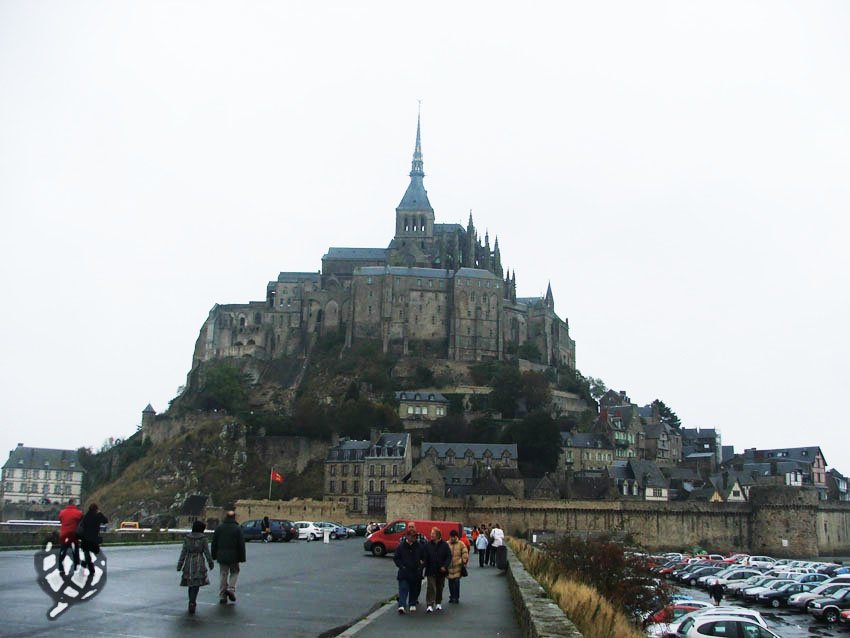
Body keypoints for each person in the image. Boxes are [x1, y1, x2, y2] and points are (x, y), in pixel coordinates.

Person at [177, 520, 214, 614]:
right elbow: (206, 552)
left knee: (190, 582)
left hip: (189, 561)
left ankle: (191, 600)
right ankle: (193, 601)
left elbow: (183, 552)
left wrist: (180, 564)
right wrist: (210, 562)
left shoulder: (187, 538)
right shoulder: (203, 538)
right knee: (196, 583)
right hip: (199, 561)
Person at [211, 510, 246, 604]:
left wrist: (213, 555)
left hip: (221, 555)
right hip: (234, 555)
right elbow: (241, 544)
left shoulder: (219, 528)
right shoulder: (237, 528)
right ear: (234, 517)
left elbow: (214, 542)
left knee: (223, 574)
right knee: (235, 571)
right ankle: (231, 588)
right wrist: (242, 557)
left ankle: (222, 596)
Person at [394, 529, 424, 614]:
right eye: (412, 536)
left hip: (415, 572)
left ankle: (412, 604)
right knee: (403, 588)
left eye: (415, 536)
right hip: (404, 572)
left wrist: (421, 566)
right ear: (407, 536)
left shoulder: (419, 546)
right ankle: (402, 606)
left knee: (413, 589)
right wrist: (401, 566)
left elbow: (424, 558)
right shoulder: (401, 546)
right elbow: (396, 558)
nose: (414, 538)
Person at [423, 526, 451, 613]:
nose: (431, 535)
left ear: (438, 535)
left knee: (440, 587)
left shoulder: (445, 545)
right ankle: (429, 604)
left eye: (433, 534)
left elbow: (449, 556)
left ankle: (438, 602)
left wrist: (445, 566)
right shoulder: (428, 545)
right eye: (431, 533)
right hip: (431, 569)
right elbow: (425, 556)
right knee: (431, 587)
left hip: (441, 570)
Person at [79, 503, 108, 572]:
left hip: (85, 537)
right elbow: (105, 521)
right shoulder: (98, 516)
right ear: (96, 509)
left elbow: (82, 525)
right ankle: (91, 569)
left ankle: (84, 565)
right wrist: (100, 513)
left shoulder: (86, 516)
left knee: (87, 553)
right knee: (91, 552)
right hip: (93, 537)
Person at [57, 499, 83, 571]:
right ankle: (76, 567)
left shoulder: (62, 512)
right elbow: (81, 522)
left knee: (63, 550)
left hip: (64, 534)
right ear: (74, 504)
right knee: (75, 551)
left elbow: (61, 520)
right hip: (73, 535)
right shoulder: (78, 513)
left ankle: (60, 567)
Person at [446, 529, 469, 604]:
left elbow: (465, 552)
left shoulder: (461, 544)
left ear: (456, 536)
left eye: (453, 537)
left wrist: (463, 560)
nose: (452, 538)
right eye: (451, 537)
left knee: (456, 582)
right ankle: (452, 596)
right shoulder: (447, 544)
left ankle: (456, 597)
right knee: (450, 583)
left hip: (457, 567)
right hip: (449, 567)